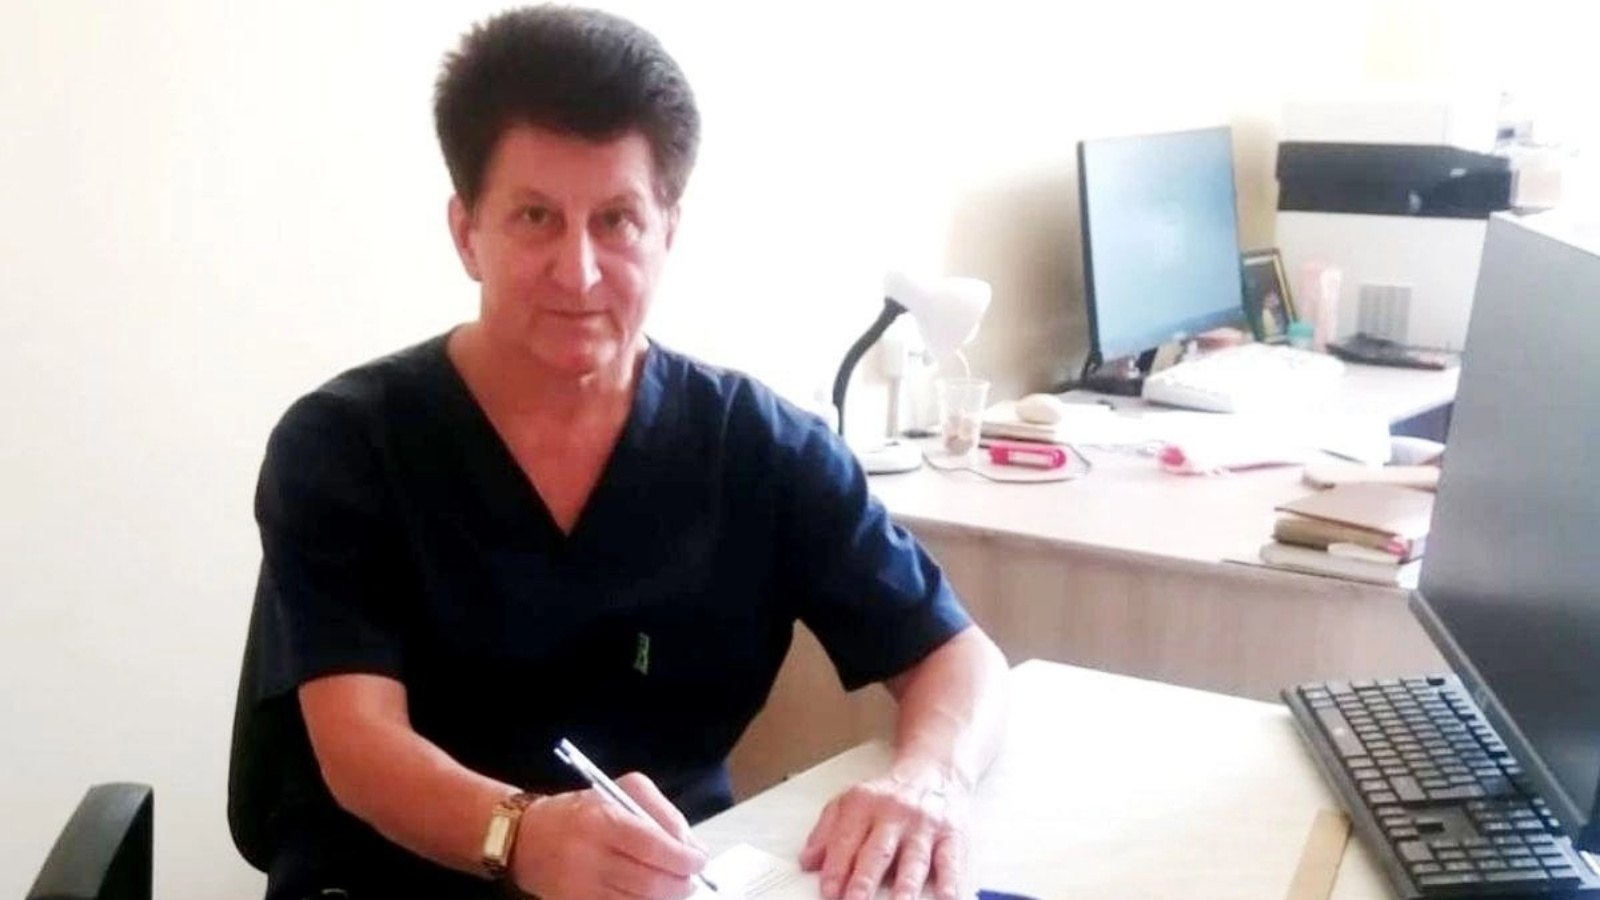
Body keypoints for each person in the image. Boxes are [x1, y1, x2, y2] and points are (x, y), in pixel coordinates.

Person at [230, 7, 1010, 900]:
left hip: (663, 882)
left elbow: (956, 655)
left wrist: (928, 779)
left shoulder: (759, 447)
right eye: (535, 217)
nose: (580, 272)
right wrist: (522, 835)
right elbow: (359, 748)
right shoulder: (344, 445)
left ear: (668, 229)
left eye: (617, 221)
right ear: (466, 232)